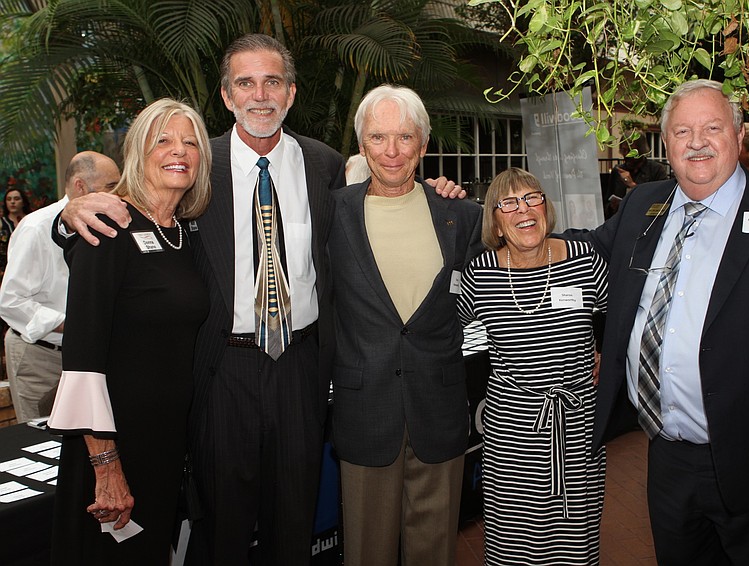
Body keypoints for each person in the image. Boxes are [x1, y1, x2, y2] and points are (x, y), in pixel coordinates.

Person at [58, 34, 462, 565]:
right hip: (221, 371)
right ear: (227, 97)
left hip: (302, 367)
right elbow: (135, 213)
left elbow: (391, 194)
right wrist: (67, 219)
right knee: (222, 529)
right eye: (245, 83)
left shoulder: (325, 166)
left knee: (293, 525)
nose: (260, 94)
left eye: (272, 81)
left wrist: (441, 193)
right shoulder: (197, 164)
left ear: (290, 93)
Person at [580, 79, 749, 565]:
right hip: (668, 457)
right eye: (682, 131)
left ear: (739, 134)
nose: (697, 142)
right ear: (666, 144)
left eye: (712, 127)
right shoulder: (644, 204)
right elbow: (581, 248)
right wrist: (476, 219)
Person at [46, 99, 211, 565]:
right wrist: (105, 464)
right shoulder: (109, 228)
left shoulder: (183, 233)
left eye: (190, 142)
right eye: (163, 140)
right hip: (113, 445)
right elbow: (81, 357)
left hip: (165, 443)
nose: (178, 151)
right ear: (139, 151)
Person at [329, 84, 483, 566]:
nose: (392, 151)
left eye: (404, 137)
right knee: (365, 553)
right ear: (361, 144)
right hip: (364, 410)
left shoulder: (461, 215)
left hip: (438, 409)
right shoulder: (330, 213)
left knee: (435, 550)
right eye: (378, 137)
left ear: (423, 143)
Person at [458, 167, 608, 565]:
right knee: (513, 546)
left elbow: (624, 315)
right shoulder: (481, 273)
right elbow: (442, 333)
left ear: (546, 206)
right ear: (495, 219)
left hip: (575, 428)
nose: (523, 209)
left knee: (573, 544)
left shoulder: (584, 259)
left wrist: (605, 350)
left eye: (532, 198)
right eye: (508, 203)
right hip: (512, 435)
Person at [0, 151, 120, 422]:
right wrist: (74, 324)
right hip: (39, 355)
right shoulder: (37, 227)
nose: (119, 194)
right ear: (80, 186)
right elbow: (11, 301)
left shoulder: (108, 225)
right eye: (111, 186)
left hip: (85, 354)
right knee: (40, 439)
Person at [604, 130, 668, 217]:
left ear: (641, 151)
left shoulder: (656, 170)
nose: (627, 155)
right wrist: (612, 207)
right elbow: (606, 203)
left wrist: (632, 185)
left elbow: (661, 203)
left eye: (630, 151)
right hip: (621, 221)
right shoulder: (618, 171)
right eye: (623, 150)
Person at [0, 187, 32, 277]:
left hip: (28, 267)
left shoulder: (31, 220)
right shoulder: (2, 223)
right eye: (9, 199)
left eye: (16, 199)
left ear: (23, 202)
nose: (12, 202)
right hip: (6, 270)